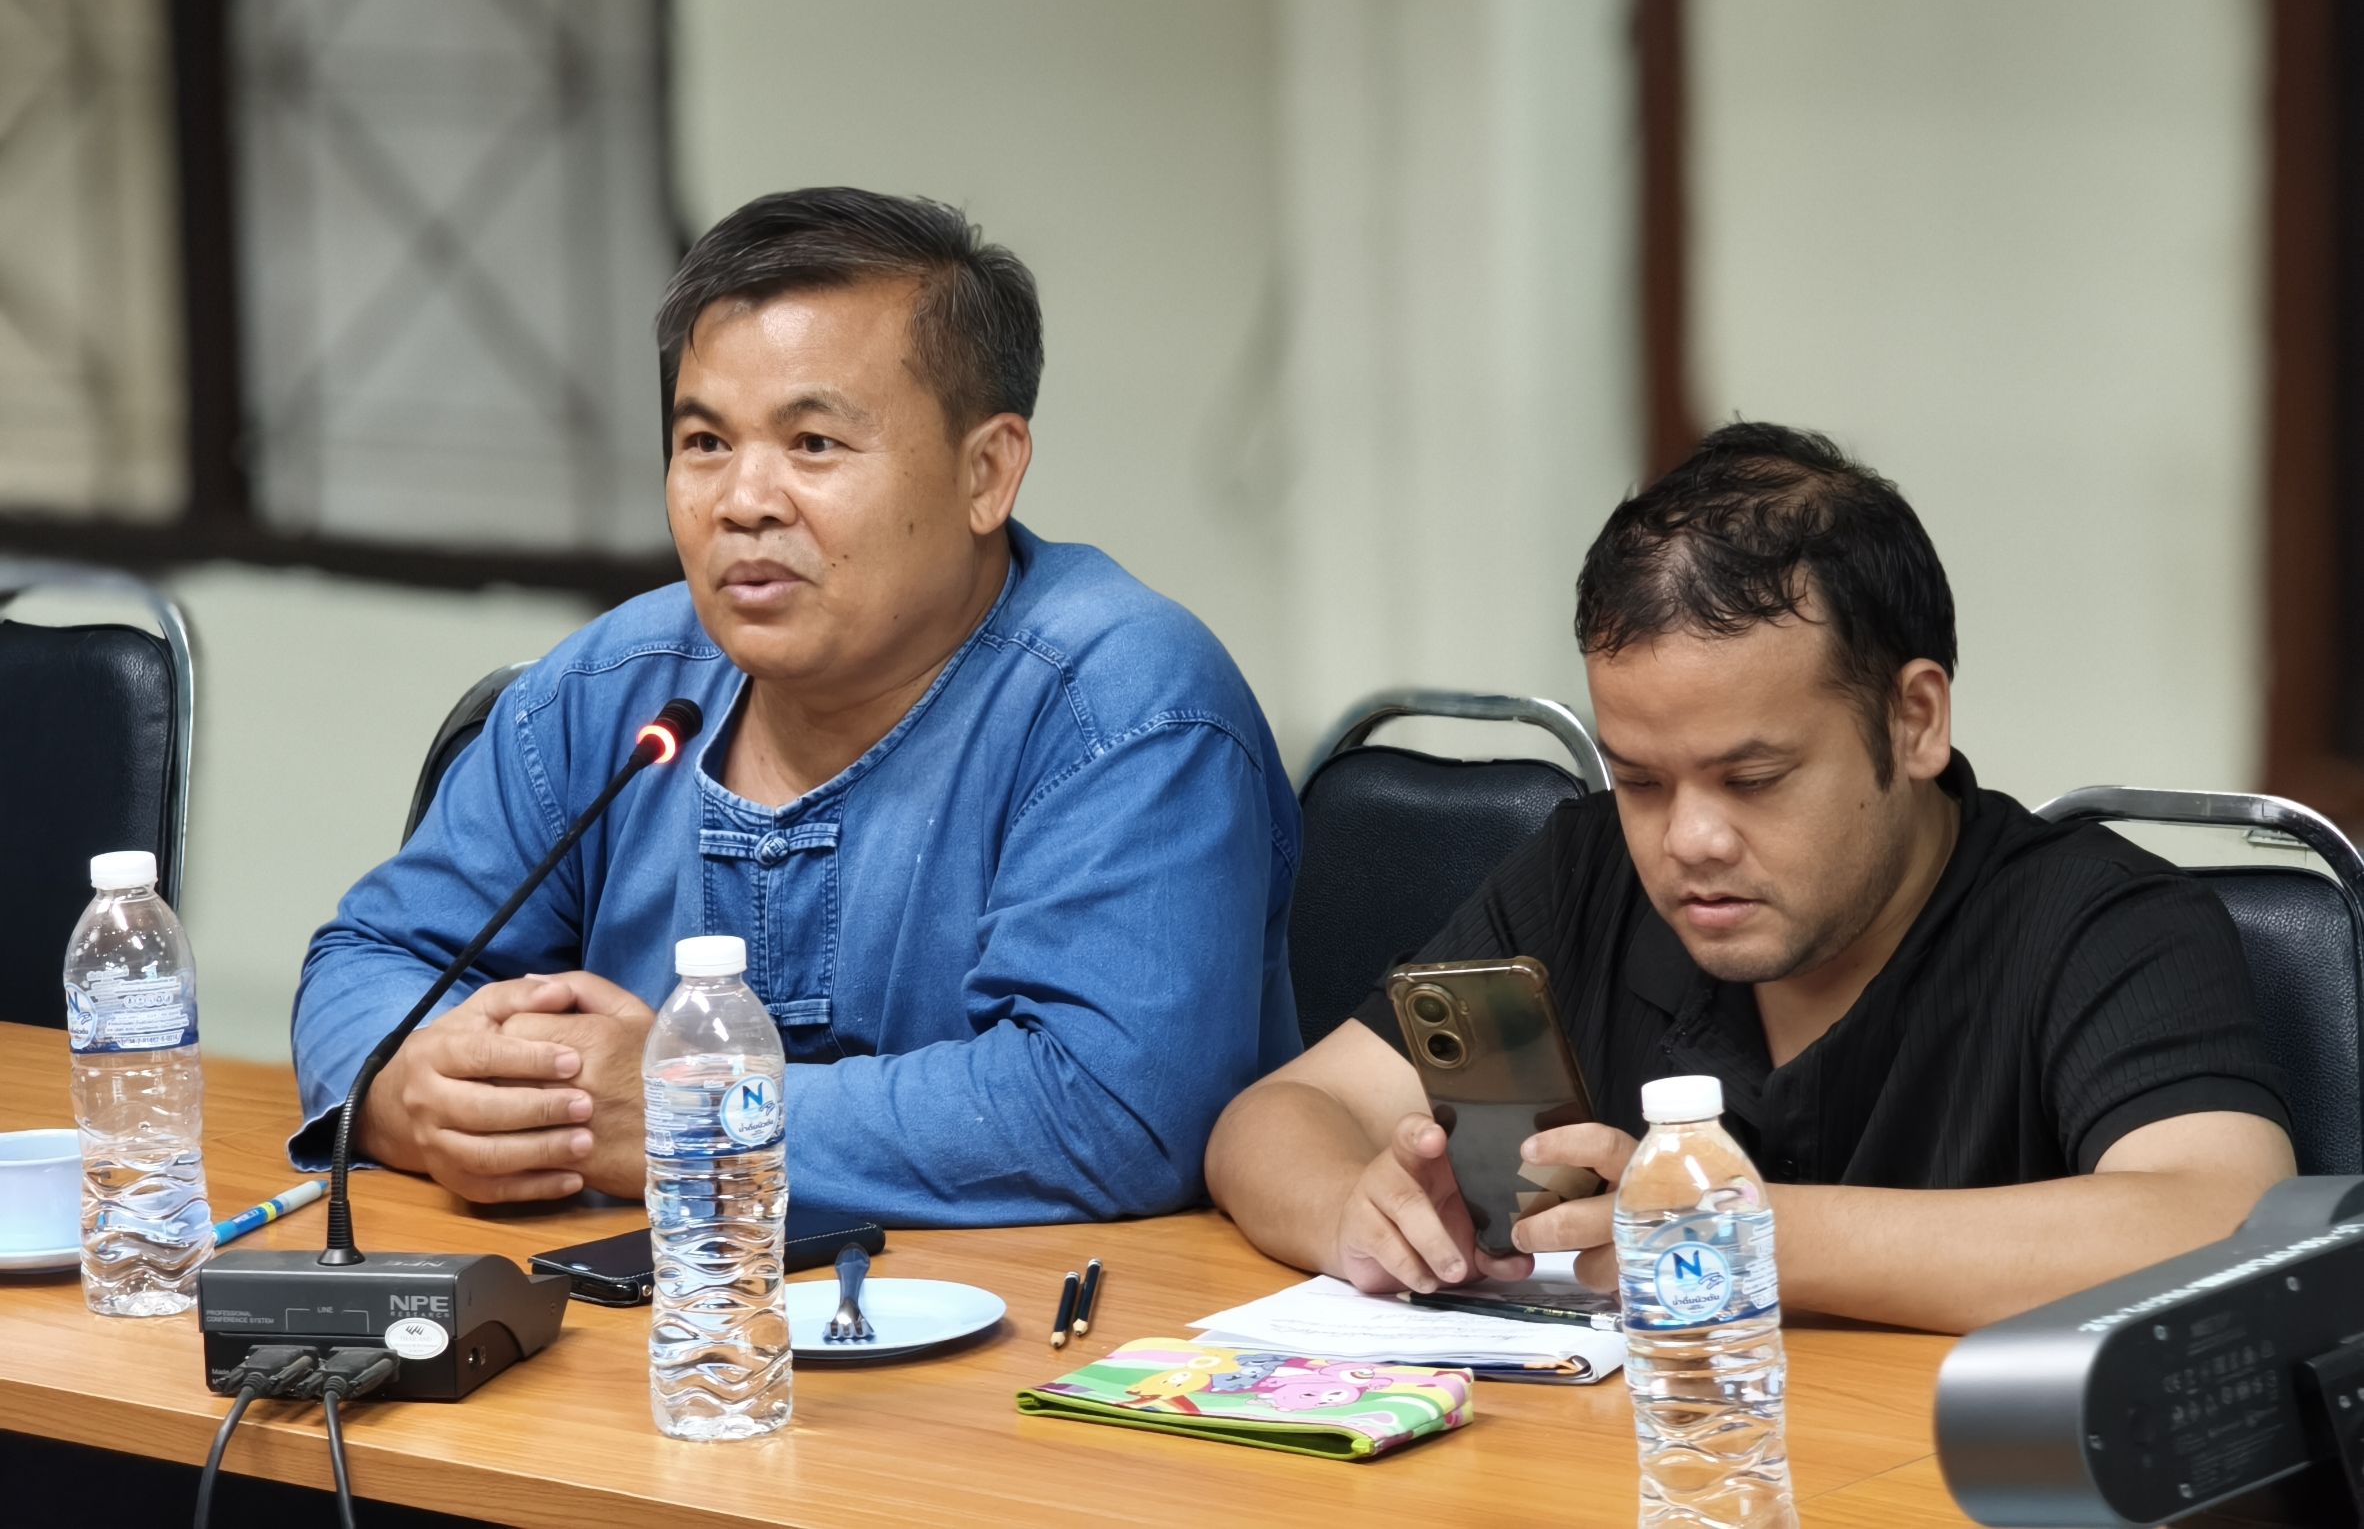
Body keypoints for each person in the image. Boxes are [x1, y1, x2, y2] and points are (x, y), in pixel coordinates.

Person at [292, 187, 1301, 1224]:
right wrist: (410, 1089)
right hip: (654, 1310)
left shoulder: (1123, 704)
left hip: (1033, 1320)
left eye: (813, 443)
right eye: (705, 443)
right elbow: (373, 961)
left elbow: (1109, 1111)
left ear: (987, 472)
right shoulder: (611, 686)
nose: (743, 502)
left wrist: (691, 1114)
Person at [1204, 422, 2293, 1333]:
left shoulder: (2101, 924)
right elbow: (1283, 1113)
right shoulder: (1587, 874)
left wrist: (1736, 1234)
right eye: (1641, 779)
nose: (1689, 839)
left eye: (1754, 778)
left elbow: (2222, 1222)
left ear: (1913, 720)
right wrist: (1360, 1210)